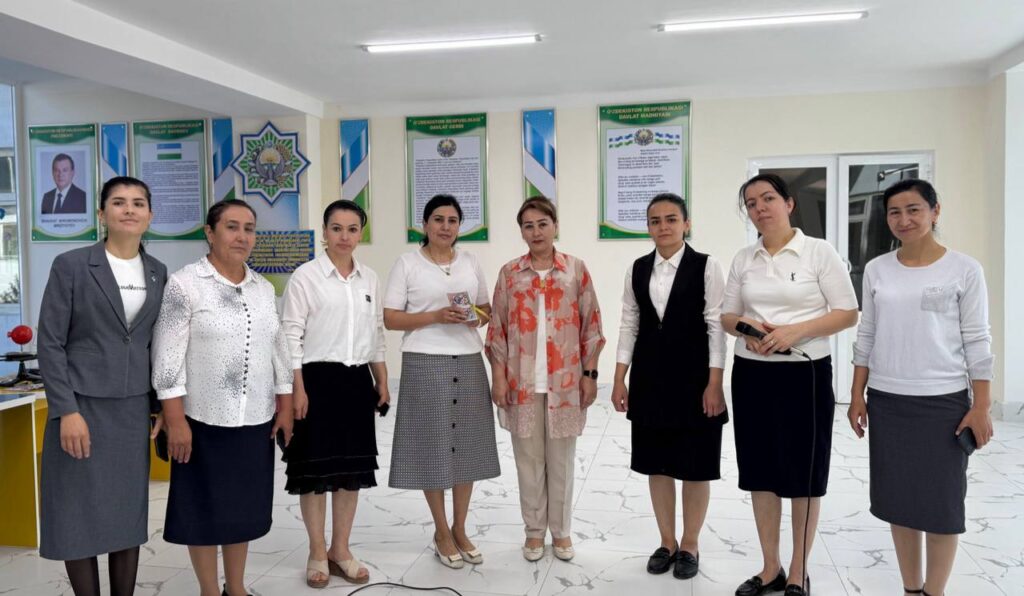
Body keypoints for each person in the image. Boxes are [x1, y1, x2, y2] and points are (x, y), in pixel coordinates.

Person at [847, 179, 994, 596]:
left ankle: (935, 591)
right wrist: (857, 394)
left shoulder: (964, 269)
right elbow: (867, 335)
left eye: (914, 209)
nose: (904, 219)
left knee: (942, 505)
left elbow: (978, 340)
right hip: (888, 401)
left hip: (943, 402)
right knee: (900, 502)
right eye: (895, 212)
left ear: (935, 211)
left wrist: (981, 405)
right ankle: (911, 589)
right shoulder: (877, 269)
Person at [722, 174, 858, 596]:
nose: (760, 208)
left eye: (768, 198)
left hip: (805, 373)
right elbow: (726, 316)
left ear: (789, 203)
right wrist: (746, 328)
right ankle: (770, 568)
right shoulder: (744, 258)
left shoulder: (818, 251)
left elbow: (847, 312)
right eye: (751, 203)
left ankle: (799, 569)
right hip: (752, 373)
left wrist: (795, 331)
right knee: (760, 471)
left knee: (804, 473)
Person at [152, 199, 293, 596]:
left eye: (249, 228)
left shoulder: (262, 288)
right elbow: (167, 359)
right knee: (202, 510)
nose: (242, 236)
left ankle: (237, 587)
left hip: (254, 419)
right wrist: (175, 420)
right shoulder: (185, 285)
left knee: (241, 509)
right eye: (232, 227)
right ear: (210, 233)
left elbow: (278, 349)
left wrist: (284, 406)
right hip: (201, 420)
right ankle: (209, 590)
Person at [37, 176, 167, 596]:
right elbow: (50, 343)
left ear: (149, 215)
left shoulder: (157, 271)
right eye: (119, 202)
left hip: (130, 411)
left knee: (126, 514)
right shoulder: (72, 265)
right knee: (77, 513)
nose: (129, 209)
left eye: (138, 203)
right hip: (81, 407)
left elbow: (156, 344)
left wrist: (159, 405)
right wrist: (66, 410)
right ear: (102, 213)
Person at [611, 193, 728, 580]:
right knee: (657, 464)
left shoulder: (707, 266)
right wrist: (619, 377)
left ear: (686, 224)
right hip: (649, 378)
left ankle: (690, 543)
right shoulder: (637, 268)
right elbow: (629, 323)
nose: (663, 226)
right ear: (648, 227)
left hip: (695, 380)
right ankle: (667, 541)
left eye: (671, 219)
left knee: (695, 466)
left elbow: (716, 325)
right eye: (655, 220)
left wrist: (715, 382)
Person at [383, 194, 500, 569]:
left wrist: (474, 316)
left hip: (468, 359)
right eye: (438, 219)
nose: (445, 226)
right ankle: (441, 530)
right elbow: (390, 318)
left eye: (452, 220)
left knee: (468, 446)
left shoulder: (470, 261)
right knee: (430, 446)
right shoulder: (408, 264)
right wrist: (435, 316)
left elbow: (487, 309)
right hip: (424, 360)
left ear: (459, 226)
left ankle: (460, 527)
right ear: (425, 225)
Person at [486, 196, 605, 563]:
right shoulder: (509, 273)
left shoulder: (575, 270)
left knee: (562, 462)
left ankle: (562, 531)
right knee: (529, 462)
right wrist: (499, 377)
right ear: (521, 231)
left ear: (555, 226)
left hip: (565, 384)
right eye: (528, 226)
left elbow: (592, 326)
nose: (536, 232)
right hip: (521, 383)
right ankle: (534, 532)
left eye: (542, 224)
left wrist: (589, 375)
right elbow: (497, 330)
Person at [280, 200, 389, 588]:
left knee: (350, 473)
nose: (345, 236)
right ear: (325, 231)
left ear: (361, 233)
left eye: (352, 229)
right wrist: (297, 388)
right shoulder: (306, 277)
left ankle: (340, 549)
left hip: (356, 382)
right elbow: (290, 335)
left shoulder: (369, 278)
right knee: (314, 472)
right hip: (315, 382)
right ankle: (316, 551)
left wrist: (382, 380)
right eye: (337, 228)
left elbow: (376, 333)